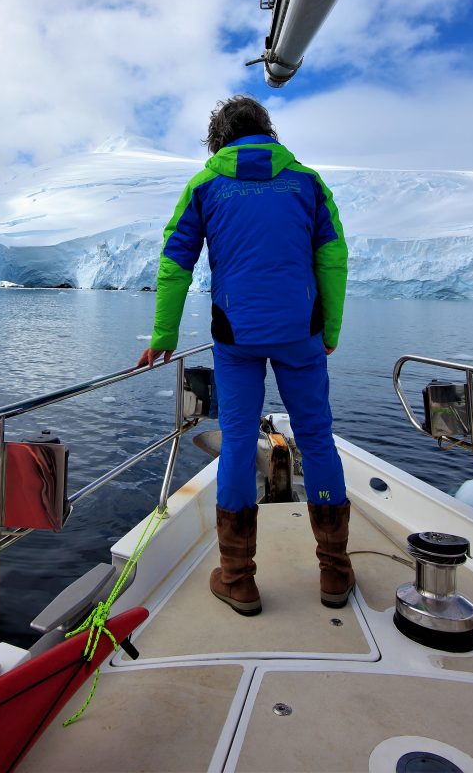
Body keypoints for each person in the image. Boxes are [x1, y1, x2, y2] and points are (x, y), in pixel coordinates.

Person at [136, 94, 353, 616]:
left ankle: (237, 577)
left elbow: (175, 262)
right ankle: (334, 571)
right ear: (267, 130)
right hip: (301, 333)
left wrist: (164, 334)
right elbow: (333, 256)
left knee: (236, 442)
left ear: (220, 138)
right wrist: (332, 327)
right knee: (318, 439)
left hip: (236, 336)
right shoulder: (306, 182)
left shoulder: (206, 184)